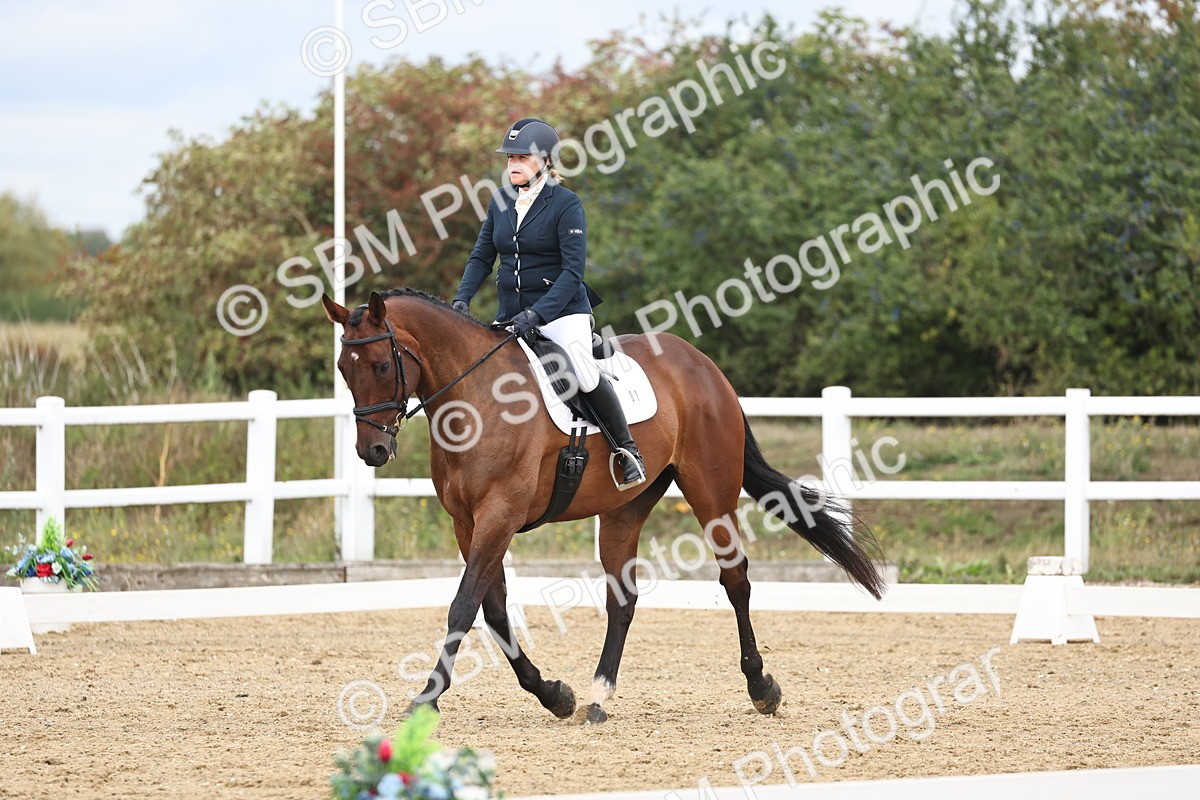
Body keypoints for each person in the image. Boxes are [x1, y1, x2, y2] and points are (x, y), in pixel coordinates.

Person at [452, 117, 646, 490]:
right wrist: (461, 299)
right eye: (510, 157)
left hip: (562, 311)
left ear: (544, 161)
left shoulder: (566, 204)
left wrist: (538, 314)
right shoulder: (501, 201)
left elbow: (573, 272)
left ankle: (627, 450)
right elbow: (481, 258)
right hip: (511, 314)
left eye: (522, 156)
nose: (513, 164)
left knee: (583, 373)